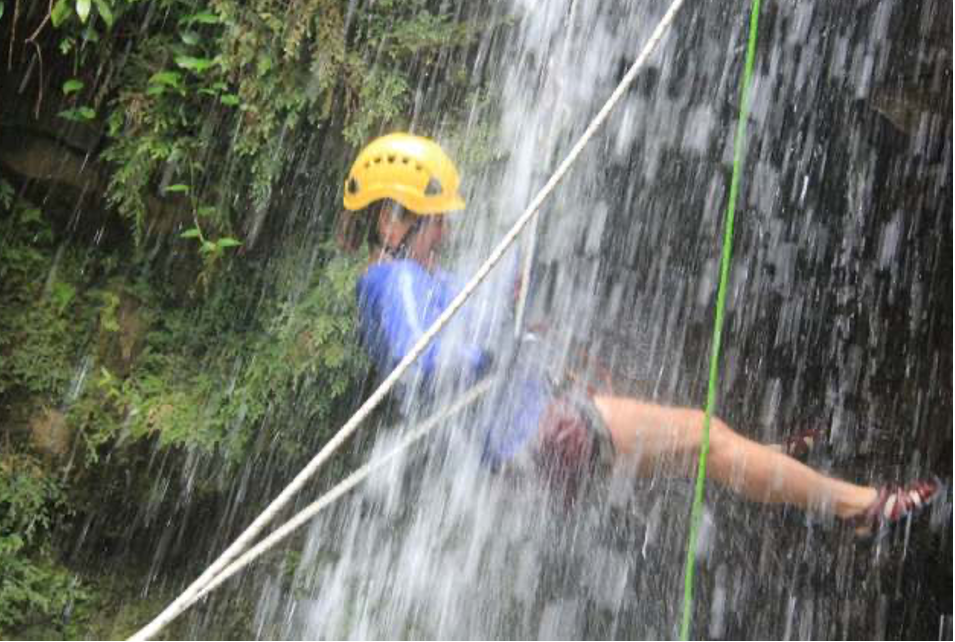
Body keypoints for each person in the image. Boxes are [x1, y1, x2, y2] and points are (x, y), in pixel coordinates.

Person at [339, 132, 941, 537]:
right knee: (702, 440)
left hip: (528, 439)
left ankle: (776, 466)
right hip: (538, 434)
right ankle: (863, 507)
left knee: (700, 444)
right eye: (434, 221)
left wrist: (521, 260)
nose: (442, 233)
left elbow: (484, 305)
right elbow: (419, 362)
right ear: (393, 219)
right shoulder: (391, 283)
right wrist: (496, 345)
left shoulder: (418, 277)